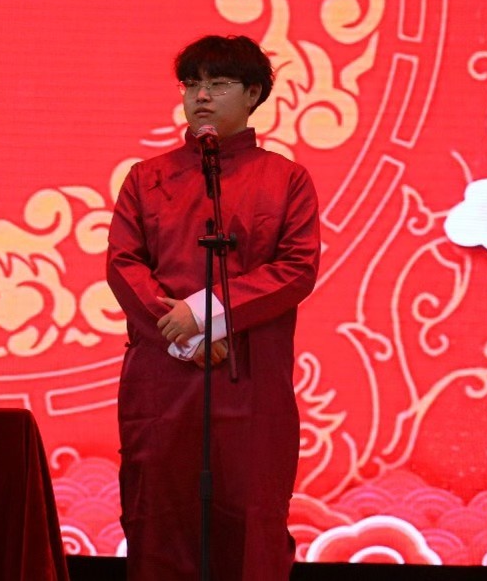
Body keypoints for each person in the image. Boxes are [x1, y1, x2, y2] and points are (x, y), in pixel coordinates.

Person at [106, 34, 320, 580]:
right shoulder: (146, 178)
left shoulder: (286, 180)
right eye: (192, 84)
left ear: (253, 94)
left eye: (219, 84)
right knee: (160, 520)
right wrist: (183, 334)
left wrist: (204, 314)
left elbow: (296, 268)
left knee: (249, 523)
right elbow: (124, 265)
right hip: (163, 378)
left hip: (250, 379)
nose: (201, 96)